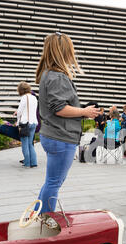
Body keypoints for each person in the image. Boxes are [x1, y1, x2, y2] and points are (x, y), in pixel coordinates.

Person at [35, 32, 100, 214]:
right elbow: (59, 108)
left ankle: (38, 215)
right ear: (64, 52)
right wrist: (84, 112)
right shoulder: (57, 76)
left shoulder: (49, 74)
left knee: (51, 182)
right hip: (61, 136)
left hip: (54, 135)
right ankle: (44, 221)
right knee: (54, 183)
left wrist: (82, 111)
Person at [16, 81, 39, 168]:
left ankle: (27, 163)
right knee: (30, 144)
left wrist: (18, 122)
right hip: (33, 122)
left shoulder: (24, 98)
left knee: (25, 144)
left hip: (25, 123)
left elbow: (19, 111)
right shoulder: (34, 97)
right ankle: (34, 162)